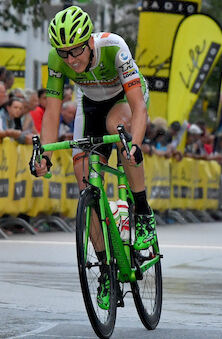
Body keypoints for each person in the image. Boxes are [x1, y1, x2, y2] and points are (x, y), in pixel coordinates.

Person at [32, 6, 156, 309]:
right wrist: (44, 152)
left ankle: (142, 212)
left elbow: (138, 107)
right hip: (89, 106)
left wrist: (135, 146)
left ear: (89, 42)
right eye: (64, 54)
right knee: (85, 183)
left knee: (123, 132)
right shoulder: (56, 60)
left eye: (76, 51)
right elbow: (52, 110)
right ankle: (105, 270)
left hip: (124, 101)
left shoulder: (114, 47)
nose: (71, 60)